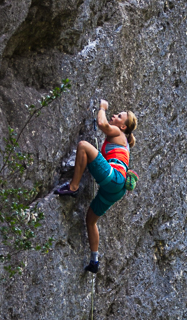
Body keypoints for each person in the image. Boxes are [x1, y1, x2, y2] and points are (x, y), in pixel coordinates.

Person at [54, 100, 137, 273]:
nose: (115, 115)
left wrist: (102, 108)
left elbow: (102, 124)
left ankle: (73, 187)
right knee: (91, 220)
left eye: (119, 116)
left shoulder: (118, 134)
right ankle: (94, 260)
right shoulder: (124, 140)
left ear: (123, 127)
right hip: (116, 189)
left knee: (83, 146)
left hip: (114, 178)